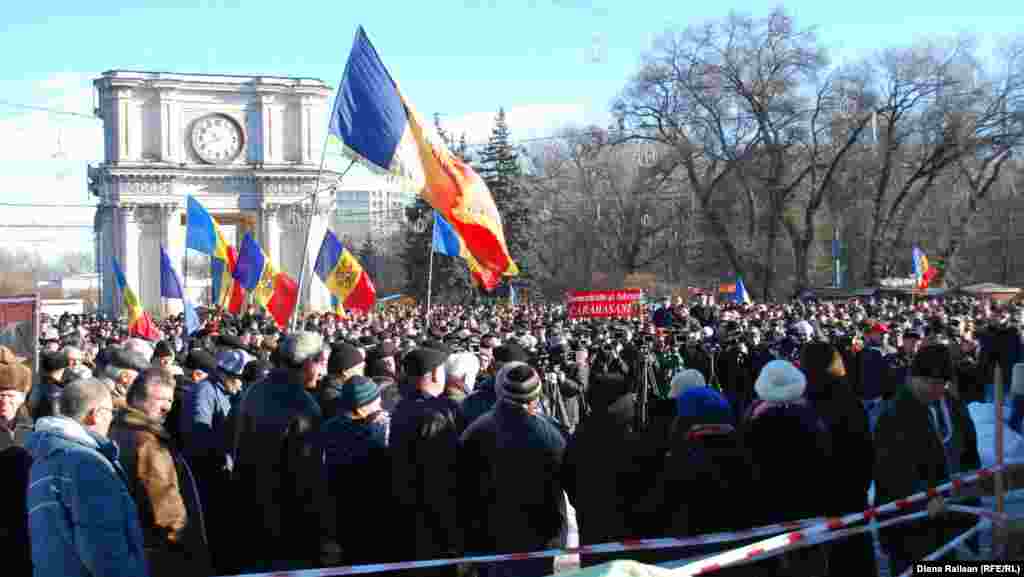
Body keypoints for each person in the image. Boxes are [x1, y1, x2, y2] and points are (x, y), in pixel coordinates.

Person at [874, 344, 982, 575]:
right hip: (910, 525)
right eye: (930, 383)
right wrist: (924, 499)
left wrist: (971, 487)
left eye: (942, 383)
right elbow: (891, 472)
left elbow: (968, 453)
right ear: (914, 378)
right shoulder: (893, 414)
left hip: (947, 519)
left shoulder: (953, 407)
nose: (936, 389)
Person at [25, 378, 149, 577]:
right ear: (95, 414)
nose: (111, 419)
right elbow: (104, 549)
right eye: (111, 412)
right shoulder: (86, 462)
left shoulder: (45, 455)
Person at [231, 331, 325, 572]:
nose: (323, 371)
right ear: (308, 363)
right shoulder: (305, 407)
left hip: (248, 508)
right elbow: (307, 476)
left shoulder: (254, 391)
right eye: (320, 363)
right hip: (286, 520)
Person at [108, 369, 211, 577]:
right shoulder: (147, 442)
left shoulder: (119, 427)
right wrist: (187, 548)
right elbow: (166, 510)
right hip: (160, 554)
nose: (167, 407)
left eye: (170, 400)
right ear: (137, 398)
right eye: (160, 400)